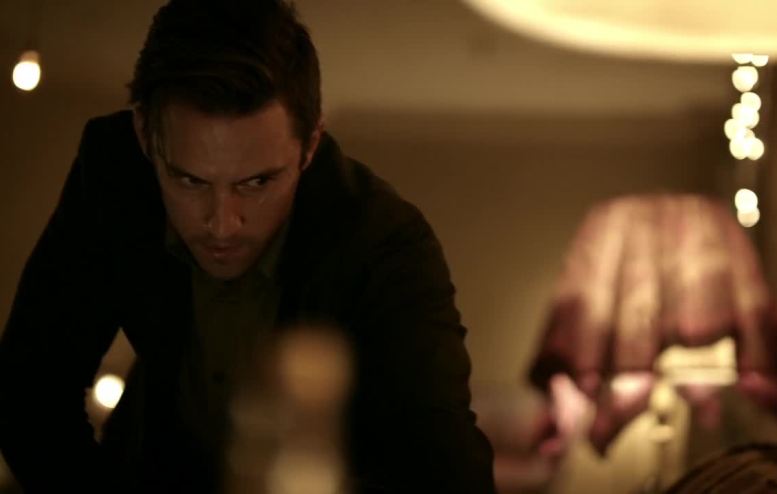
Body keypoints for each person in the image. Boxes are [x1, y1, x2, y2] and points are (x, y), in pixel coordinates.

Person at [0, 0, 496, 492]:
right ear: (145, 136)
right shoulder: (115, 174)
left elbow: (448, 472)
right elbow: (27, 390)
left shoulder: (384, 243)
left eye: (257, 182)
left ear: (310, 146)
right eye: (190, 180)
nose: (222, 225)